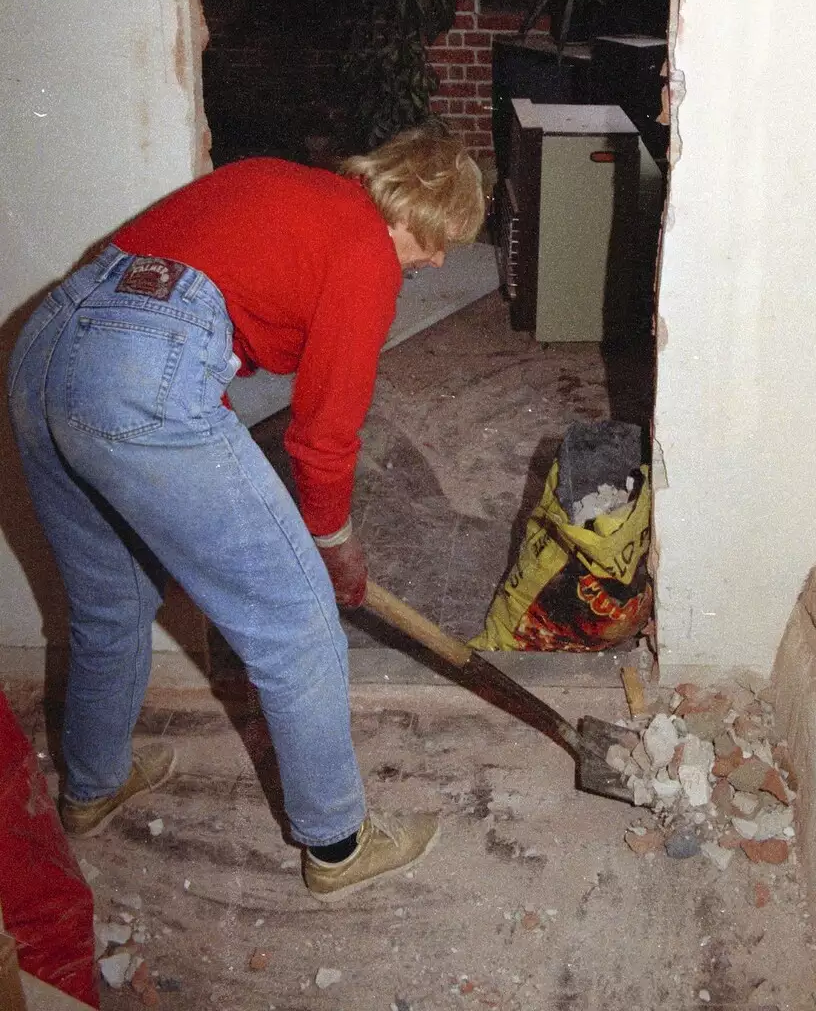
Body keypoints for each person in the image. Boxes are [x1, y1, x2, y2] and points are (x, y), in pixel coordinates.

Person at [6, 124, 485, 901]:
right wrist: (333, 542)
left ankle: (93, 786)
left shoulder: (274, 179)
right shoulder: (364, 244)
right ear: (413, 205)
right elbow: (325, 431)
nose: (435, 262)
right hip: (137, 367)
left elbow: (173, 337)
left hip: (46, 350)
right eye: (438, 242)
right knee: (296, 624)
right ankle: (338, 845)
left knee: (109, 601)